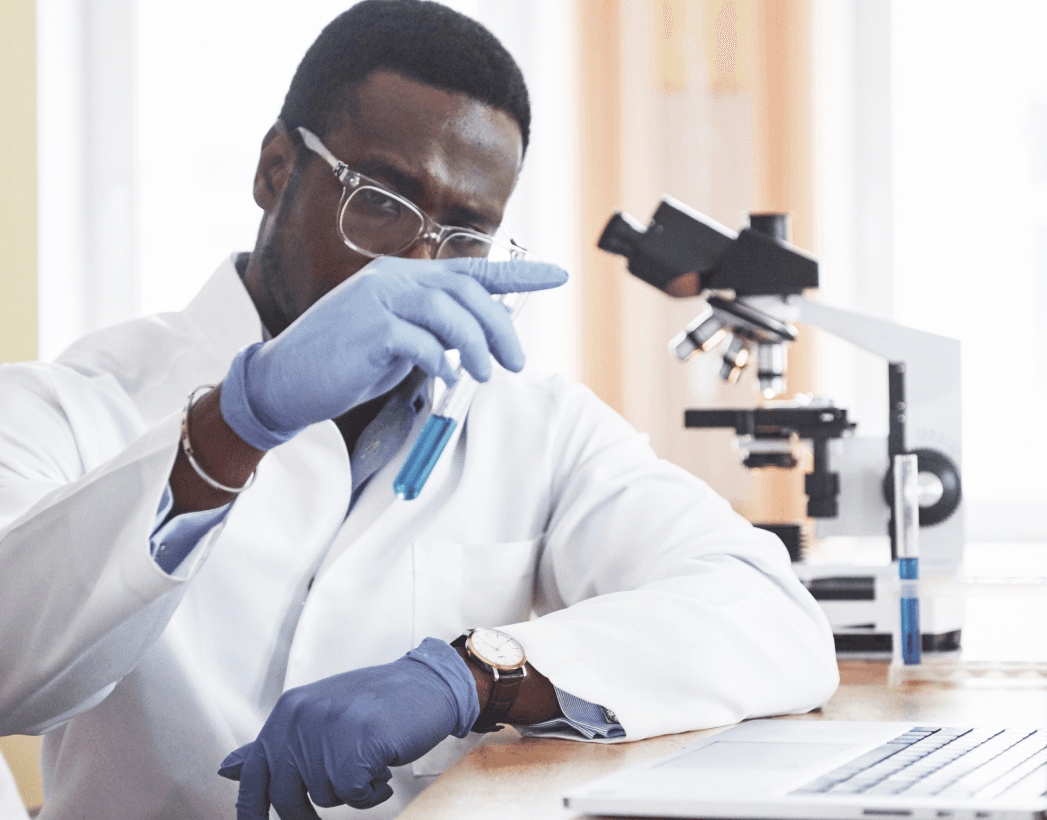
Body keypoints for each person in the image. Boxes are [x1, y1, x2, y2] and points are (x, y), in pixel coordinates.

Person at [0, 2, 838, 818]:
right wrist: (236, 425)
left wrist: (473, 676)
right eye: (382, 200)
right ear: (274, 169)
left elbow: (770, 616)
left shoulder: (536, 427)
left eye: (465, 233)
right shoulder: (74, 404)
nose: (417, 262)